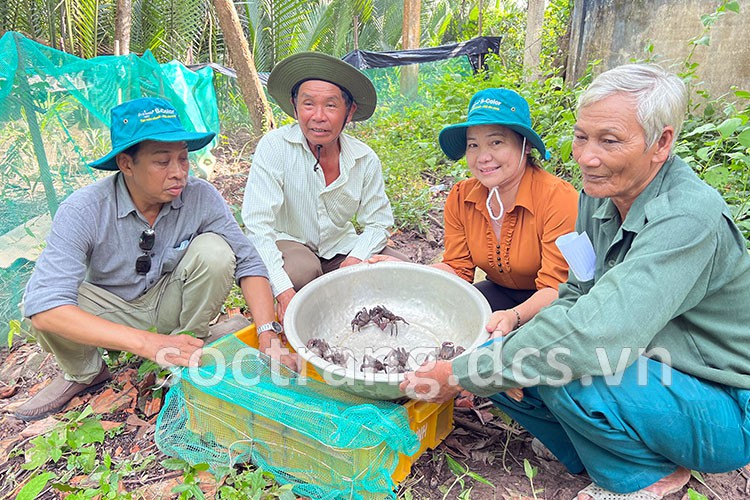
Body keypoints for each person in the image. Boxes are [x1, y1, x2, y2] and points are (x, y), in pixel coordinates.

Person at [400, 64, 750, 500]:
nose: (586, 157)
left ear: (662, 143)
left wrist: (460, 374)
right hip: (646, 365)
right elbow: (576, 293)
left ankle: (647, 474)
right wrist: (495, 352)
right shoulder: (598, 197)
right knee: (503, 358)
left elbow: (597, 332)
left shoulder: (687, 216)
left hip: (721, 406)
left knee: (560, 366)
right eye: (582, 137)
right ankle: (604, 448)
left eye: (609, 140)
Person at [15, 97, 290, 422]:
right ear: (126, 164)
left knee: (216, 251)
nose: (178, 173)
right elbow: (46, 309)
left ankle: (187, 347)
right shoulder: (84, 211)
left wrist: (268, 333)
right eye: (162, 162)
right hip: (111, 308)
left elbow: (249, 262)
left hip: (167, 300)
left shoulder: (200, 197)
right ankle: (84, 373)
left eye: (183, 159)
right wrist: (147, 343)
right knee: (42, 304)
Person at [374, 88, 578, 338]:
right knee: (442, 324)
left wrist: (513, 316)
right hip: (500, 291)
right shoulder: (462, 197)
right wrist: (409, 272)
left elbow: (557, 287)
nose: (483, 157)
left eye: (496, 142)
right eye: (473, 145)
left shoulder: (558, 198)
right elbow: (458, 271)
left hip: (557, 303)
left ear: (525, 146)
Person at [242, 52, 407, 322]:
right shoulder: (274, 147)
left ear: (349, 111)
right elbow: (258, 227)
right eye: (308, 104)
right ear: (295, 107)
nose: (318, 117)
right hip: (290, 243)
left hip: (338, 246)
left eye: (331, 105)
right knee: (302, 271)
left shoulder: (364, 159)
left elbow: (378, 224)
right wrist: (283, 292)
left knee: (400, 271)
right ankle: (293, 316)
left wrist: (354, 261)